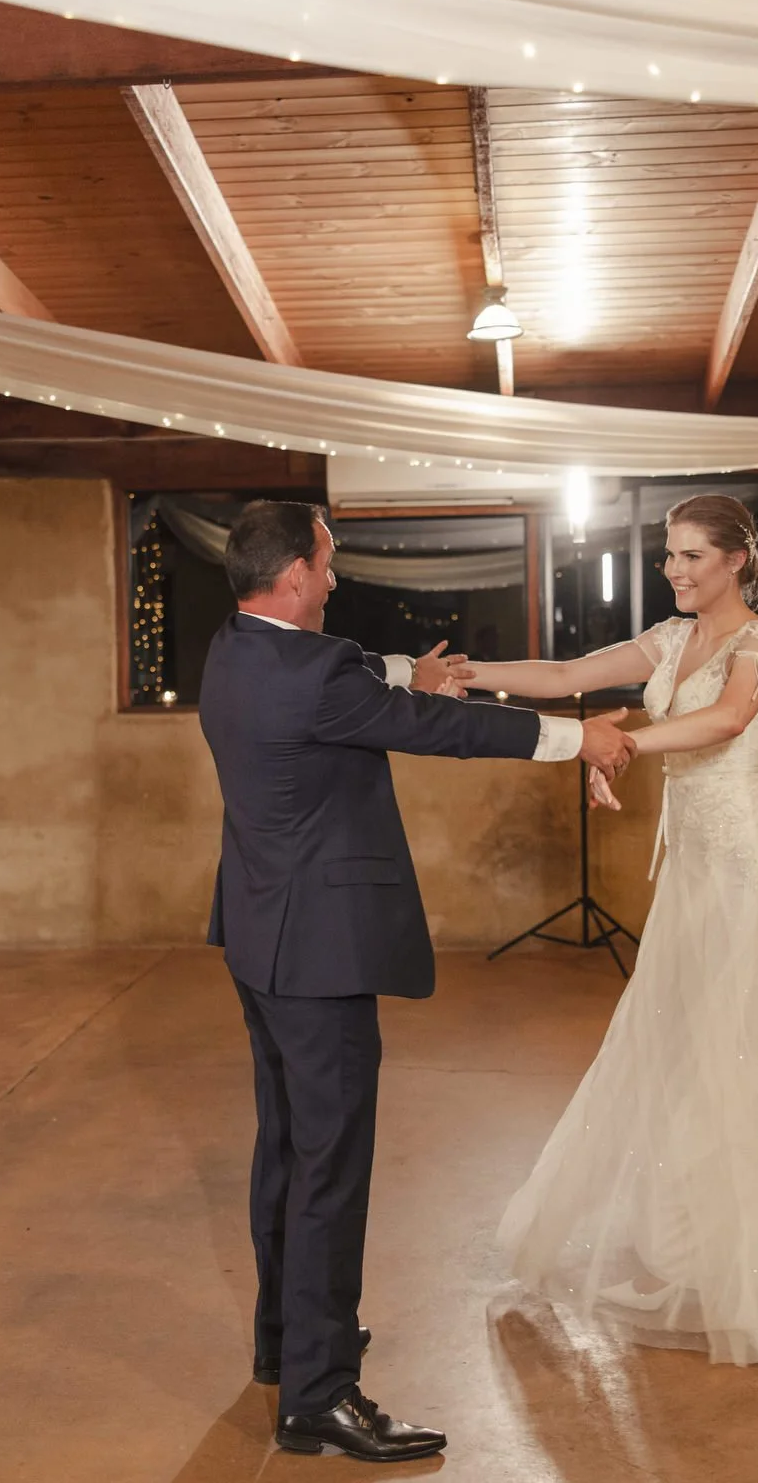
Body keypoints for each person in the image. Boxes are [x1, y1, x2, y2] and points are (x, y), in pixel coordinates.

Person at [458, 493, 758, 1367]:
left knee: (749, 1036)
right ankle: (707, 1220)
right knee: (691, 1036)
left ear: (737, 560)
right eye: (669, 555)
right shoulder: (669, 638)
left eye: (692, 555)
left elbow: (728, 721)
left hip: (746, 860)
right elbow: (567, 674)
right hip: (691, 864)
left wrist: (621, 746)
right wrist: (470, 674)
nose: (675, 570)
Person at [197, 501, 634, 1461]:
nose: (334, 577)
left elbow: (357, 674)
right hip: (318, 953)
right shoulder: (316, 678)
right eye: (327, 563)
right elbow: (444, 728)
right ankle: (319, 1396)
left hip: (262, 939)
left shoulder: (234, 648)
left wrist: (406, 668)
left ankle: (286, 1342)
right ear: (296, 577)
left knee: (287, 1151)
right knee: (330, 1169)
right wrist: (577, 740)